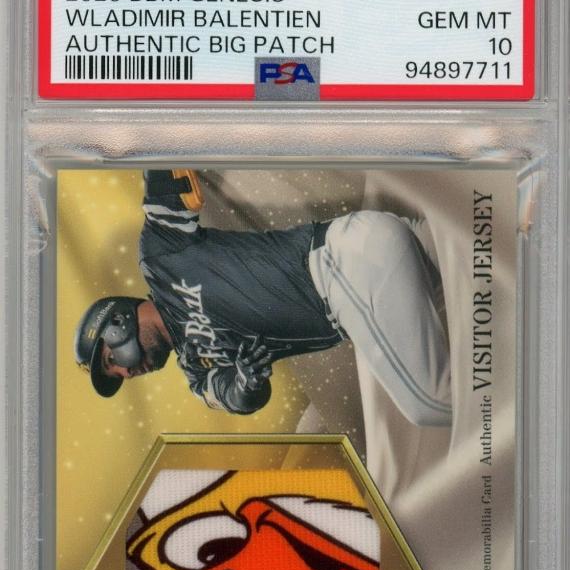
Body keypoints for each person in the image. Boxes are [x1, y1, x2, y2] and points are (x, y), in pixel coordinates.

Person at [75, 169, 451, 425]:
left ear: (116, 324)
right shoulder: (196, 372)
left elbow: (162, 166)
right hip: (370, 269)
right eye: (118, 375)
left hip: (345, 265)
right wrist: (246, 382)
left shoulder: (160, 257)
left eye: (111, 361)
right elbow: (237, 398)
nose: (126, 373)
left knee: (430, 403)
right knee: (473, 291)